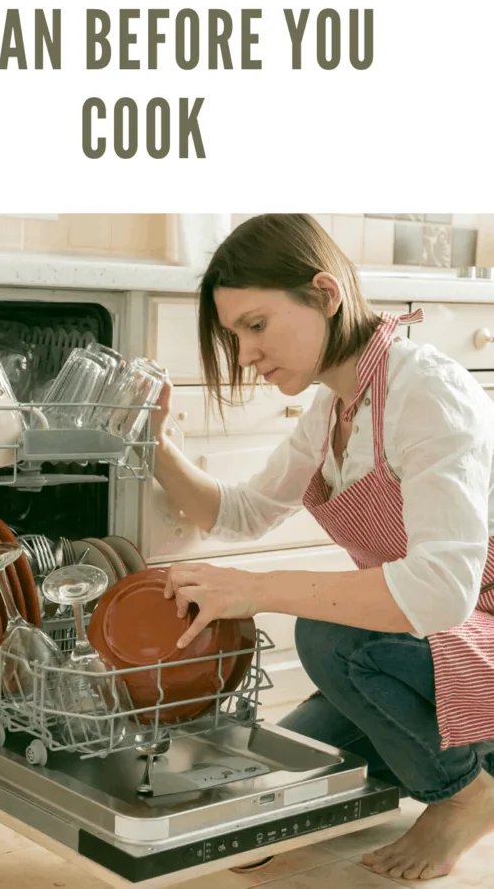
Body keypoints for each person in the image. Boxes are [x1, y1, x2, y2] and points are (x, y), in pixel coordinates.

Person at [153, 213, 494, 881]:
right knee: (279, 766)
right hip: (443, 643)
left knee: (331, 638)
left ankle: (467, 792)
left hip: (473, 631)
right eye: (235, 335)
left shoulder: (427, 391)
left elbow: (441, 593)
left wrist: (255, 590)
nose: (245, 354)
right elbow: (242, 512)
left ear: (324, 294)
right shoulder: (334, 407)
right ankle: (456, 758)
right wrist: (153, 441)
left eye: (256, 325)